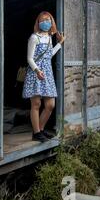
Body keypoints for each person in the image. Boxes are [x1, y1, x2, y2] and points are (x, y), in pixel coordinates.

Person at [22, 11, 65, 142]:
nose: (45, 22)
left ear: (51, 22)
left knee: (50, 105)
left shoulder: (49, 38)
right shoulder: (34, 37)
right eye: (42, 20)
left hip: (47, 72)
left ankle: (40, 130)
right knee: (36, 103)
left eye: (48, 20)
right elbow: (29, 58)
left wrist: (60, 43)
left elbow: (49, 54)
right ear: (38, 22)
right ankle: (37, 133)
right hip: (35, 72)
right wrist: (37, 70)